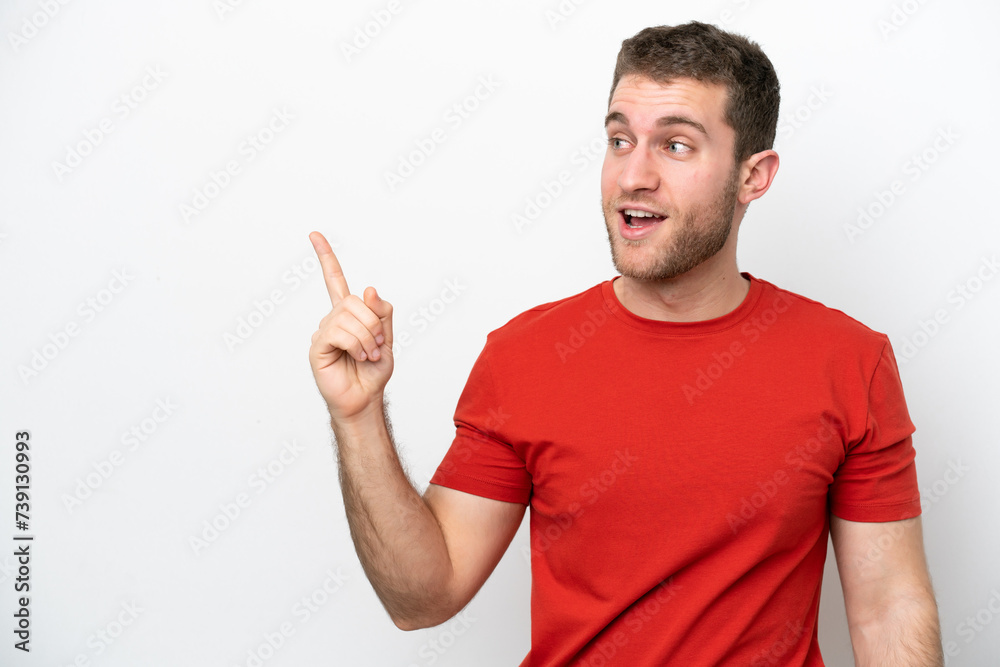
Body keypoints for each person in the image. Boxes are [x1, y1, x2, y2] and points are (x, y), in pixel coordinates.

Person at [307, 21, 943, 666]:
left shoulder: (849, 360)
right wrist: (356, 418)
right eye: (619, 140)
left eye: (675, 145)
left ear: (754, 176)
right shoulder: (524, 357)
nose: (633, 175)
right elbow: (423, 598)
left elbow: (890, 606)